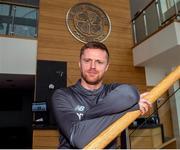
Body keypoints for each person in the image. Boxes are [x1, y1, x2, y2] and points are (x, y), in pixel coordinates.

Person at [51, 41, 152, 149]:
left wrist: (86, 119)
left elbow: (130, 94)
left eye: (99, 62)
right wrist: (128, 110)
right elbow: (79, 138)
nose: (92, 66)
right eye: (87, 60)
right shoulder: (63, 95)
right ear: (79, 63)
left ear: (106, 67)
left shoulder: (111, 90)